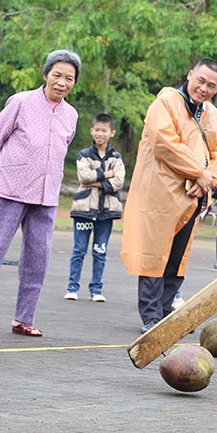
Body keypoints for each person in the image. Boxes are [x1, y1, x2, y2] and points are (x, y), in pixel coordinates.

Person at [0, 49, 80, 337]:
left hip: (46, 196)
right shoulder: (21, 101)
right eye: (57, 75)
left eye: (69, 78)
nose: (62, 82)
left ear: (74, 82)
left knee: (37, 260)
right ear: (45, 75)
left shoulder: (71, 114)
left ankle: (23, 319)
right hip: (10, 189)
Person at [121, 59, 217, 333]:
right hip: (159, 194)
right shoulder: (167, 102)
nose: (204, 89)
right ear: (190, 75)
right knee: (154, 253)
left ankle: (165, 311)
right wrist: (200, 173)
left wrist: (205, 177)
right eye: (201, 81)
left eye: (212, 86)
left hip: (191, 196)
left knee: (177, 256)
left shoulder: (211, 113)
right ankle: (150, 316)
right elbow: (163, 143)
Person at [64, 113, 125, 302]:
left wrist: (97, 180)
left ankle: (96, 289)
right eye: (97, 130)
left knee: (100, 251)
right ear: (92, 131)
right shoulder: (84, 154)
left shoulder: (116, 157)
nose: (100, 134)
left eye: (104, 130)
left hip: (106, 213)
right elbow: (83, 178)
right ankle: (72, 287)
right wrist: (106, 174)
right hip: (84, 210)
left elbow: (119, 181)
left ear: (111, 133)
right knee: (79, 250)